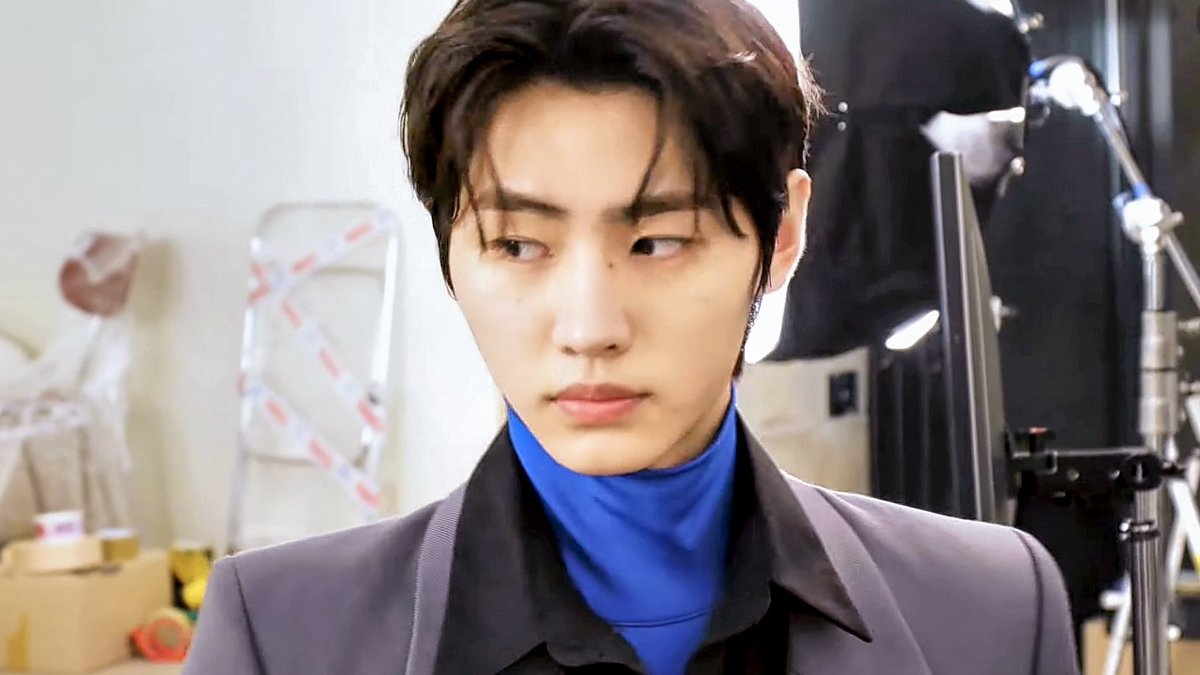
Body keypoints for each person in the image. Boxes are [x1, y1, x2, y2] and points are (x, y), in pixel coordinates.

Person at [184, 1, 1079, 673]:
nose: (589, 328)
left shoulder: (992, 610)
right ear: (450, 250)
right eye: (518, 245)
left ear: (783, 236)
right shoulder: (280, 635)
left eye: (657, 242)